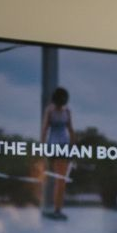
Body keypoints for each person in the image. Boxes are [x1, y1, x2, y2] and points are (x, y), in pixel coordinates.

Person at [39, 86, 75, 220]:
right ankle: (50, 207)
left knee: (61, 181)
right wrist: (42, 149)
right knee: (54, 178)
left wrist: (73, 147)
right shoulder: (50, 110)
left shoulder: (67, 111)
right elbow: (44, 130)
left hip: (64, 146)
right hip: (53, 145)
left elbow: (71, 130)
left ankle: (57, 209)